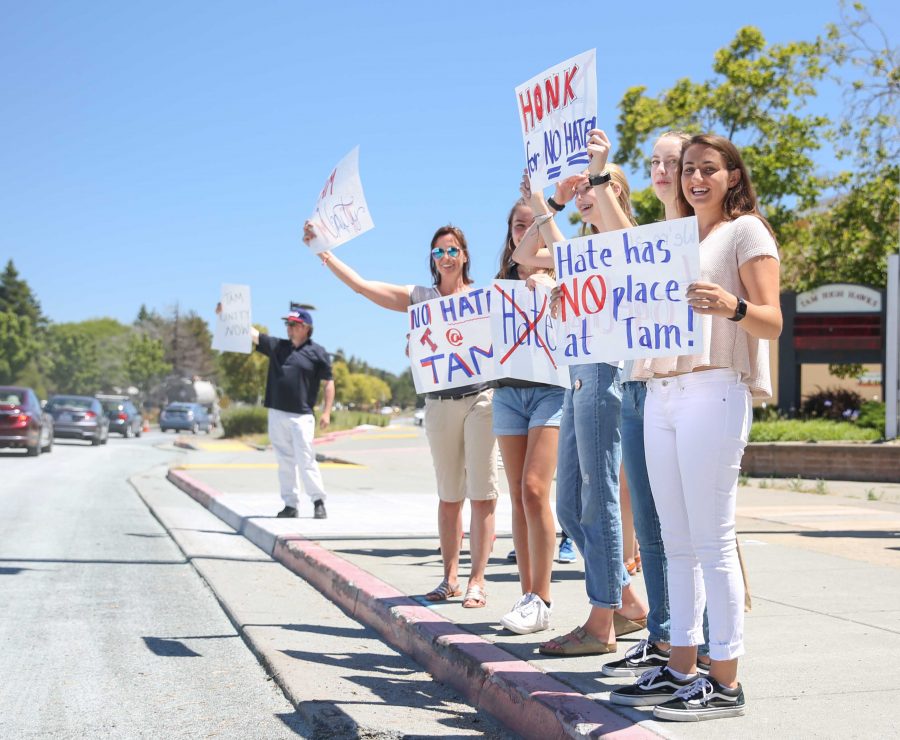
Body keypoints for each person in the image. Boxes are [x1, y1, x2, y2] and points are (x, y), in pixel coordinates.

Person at [621, 133, 782, 722]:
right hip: (662, 389)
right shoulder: (677, 238)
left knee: (713, 540)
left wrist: (731, 308)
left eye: (708, 169)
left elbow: (772, 323)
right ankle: (681, 667)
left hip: (714, 387)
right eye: (688, 169)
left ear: (732, 176)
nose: (695, 179)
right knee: (677, 540)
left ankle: (726, 680)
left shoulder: (747, 232)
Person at [303, 222, 499, 609]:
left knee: (482, 493)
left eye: (452, 250)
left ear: (465, 255)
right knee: (449, 495)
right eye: (438, 252)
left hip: (481, 401)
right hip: (439, 402)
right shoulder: (419, 298)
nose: (445, 257)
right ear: (433, 259)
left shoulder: (483, 298)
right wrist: (324, 253)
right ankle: (450, 578)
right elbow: (362, 286)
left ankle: (478, 580)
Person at [513, 130, 650, 656]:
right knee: (569, 503)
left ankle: (600, 622)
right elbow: (527, 256)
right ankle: (627, 603)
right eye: (588, 189)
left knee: (598, 497)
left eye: (603, 187)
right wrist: (546, 203)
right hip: (575, 378)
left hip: (604, 374)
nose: (590, 193)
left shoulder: (630, 245)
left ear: (617, 196)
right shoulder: (579, 250)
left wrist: (598, 167)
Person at [493, 194, 566, 635]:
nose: (525, 231)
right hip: (507, 395)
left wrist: (552, 287)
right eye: (518, 226)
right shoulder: (500, 284)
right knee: (519, 496)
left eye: (532, 223)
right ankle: (527, 598)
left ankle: (543, 596)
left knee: (536, 490)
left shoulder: (561, 273)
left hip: (550, 393)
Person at [240, 306, 334, 519]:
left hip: (301, 416)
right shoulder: (277, 347)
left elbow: (329, 383)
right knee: (284, 461)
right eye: (287, 324)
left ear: (306, 328)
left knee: (306, 459)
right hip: (276, 413)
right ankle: (290, 505)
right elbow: (253, 334)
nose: (289, 328)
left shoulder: (317, 352)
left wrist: (327, 412)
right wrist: (227, 314)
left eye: (293, 325)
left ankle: (318, 501)